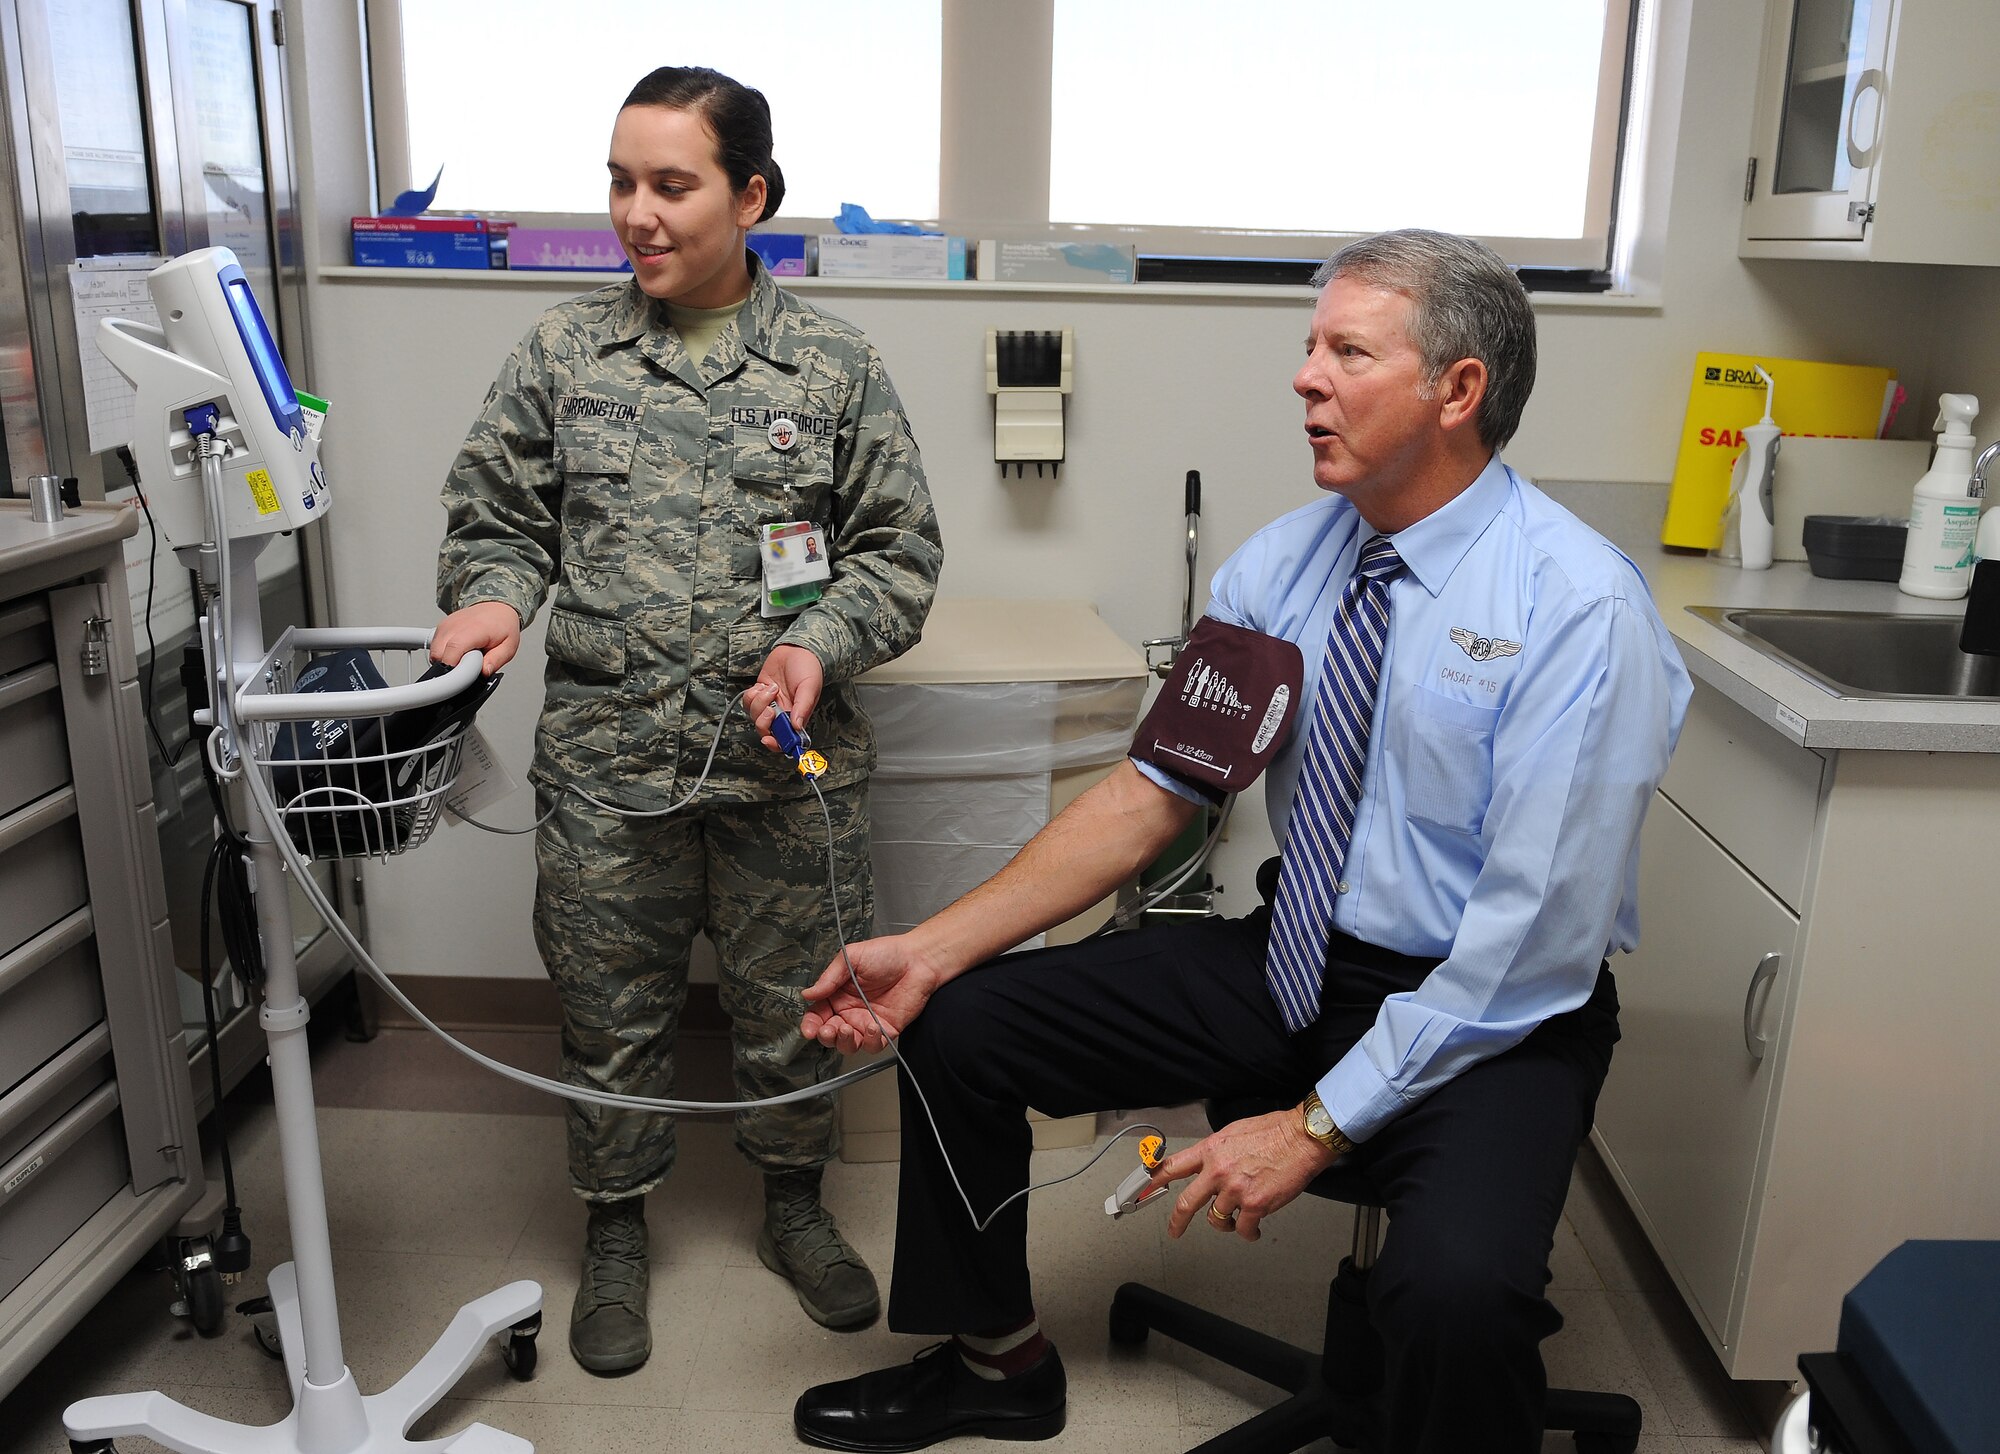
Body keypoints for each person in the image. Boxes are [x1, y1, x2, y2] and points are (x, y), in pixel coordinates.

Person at [785, 230, 1691, 1454]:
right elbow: (1156, 792)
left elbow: (1529, 944)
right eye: (1307, 345)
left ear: (1457, 389)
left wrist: (1313, 1125)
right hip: (1300, 958)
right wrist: (930, 951)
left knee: (1456, 1292)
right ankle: (994, 1361)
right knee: (960, 1025)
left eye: (1346, 350)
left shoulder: (1575, 608)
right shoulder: (1284, 565)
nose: (1303, 375)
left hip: (1493, 1011)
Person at [430, 66, 942, 1374]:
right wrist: (494, 599)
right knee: (610, 1008)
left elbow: (896, 553)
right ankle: (614, 1226)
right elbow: (499, 512)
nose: (637, 213)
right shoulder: (564, 353)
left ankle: (792, 1207)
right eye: (620, 181)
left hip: (784, 766)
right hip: (609, 764)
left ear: (751, 194)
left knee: (794, 1004)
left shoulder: (832, 367)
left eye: (672, 184)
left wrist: (817, 637)